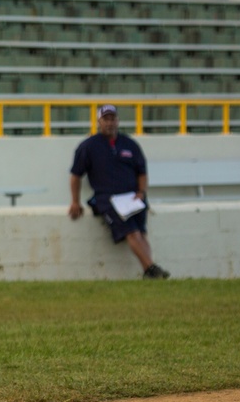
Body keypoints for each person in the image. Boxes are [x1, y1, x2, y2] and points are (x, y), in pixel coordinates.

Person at [68, 104, 170, 280]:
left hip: (132, 197)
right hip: (108, 199)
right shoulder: (88, 146)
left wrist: (141, 192)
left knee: (141, 231)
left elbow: (142, 172)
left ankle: (150, 270)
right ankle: (150, 268)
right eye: (105, 119)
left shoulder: (130, 144)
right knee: (132, 232)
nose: (110, 123)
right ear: (98, 122)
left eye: (112, 119)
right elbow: (75, 175)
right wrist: (75, 201)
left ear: (118, 120)